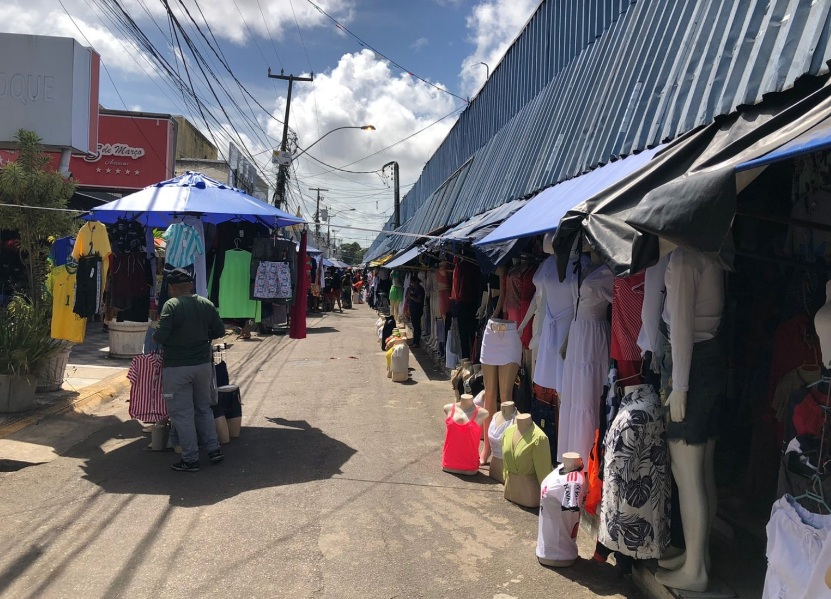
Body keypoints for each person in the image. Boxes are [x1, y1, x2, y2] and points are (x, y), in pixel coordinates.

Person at [152, 268, 226, 472]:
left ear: (171, 288)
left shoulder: (171, 305)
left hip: (177, 368)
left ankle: (191, 459)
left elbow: (160, 336)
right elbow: (219, 330)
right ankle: (214, 450)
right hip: (203, 366)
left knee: (182, 414)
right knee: (203, 408)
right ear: (191, 285)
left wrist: (158, 330)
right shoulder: (206, 303)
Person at [406, 275, 425, 348]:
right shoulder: (413, 289)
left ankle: (416, 342)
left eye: (412, 283)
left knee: (417, 326)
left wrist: (412, 297)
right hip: (413, 309)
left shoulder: (420, 289)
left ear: (416, 282)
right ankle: (414, 341)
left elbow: (419, 300)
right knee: (414, 326)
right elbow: (408, 296)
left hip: (417, 310)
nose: (412, 284)